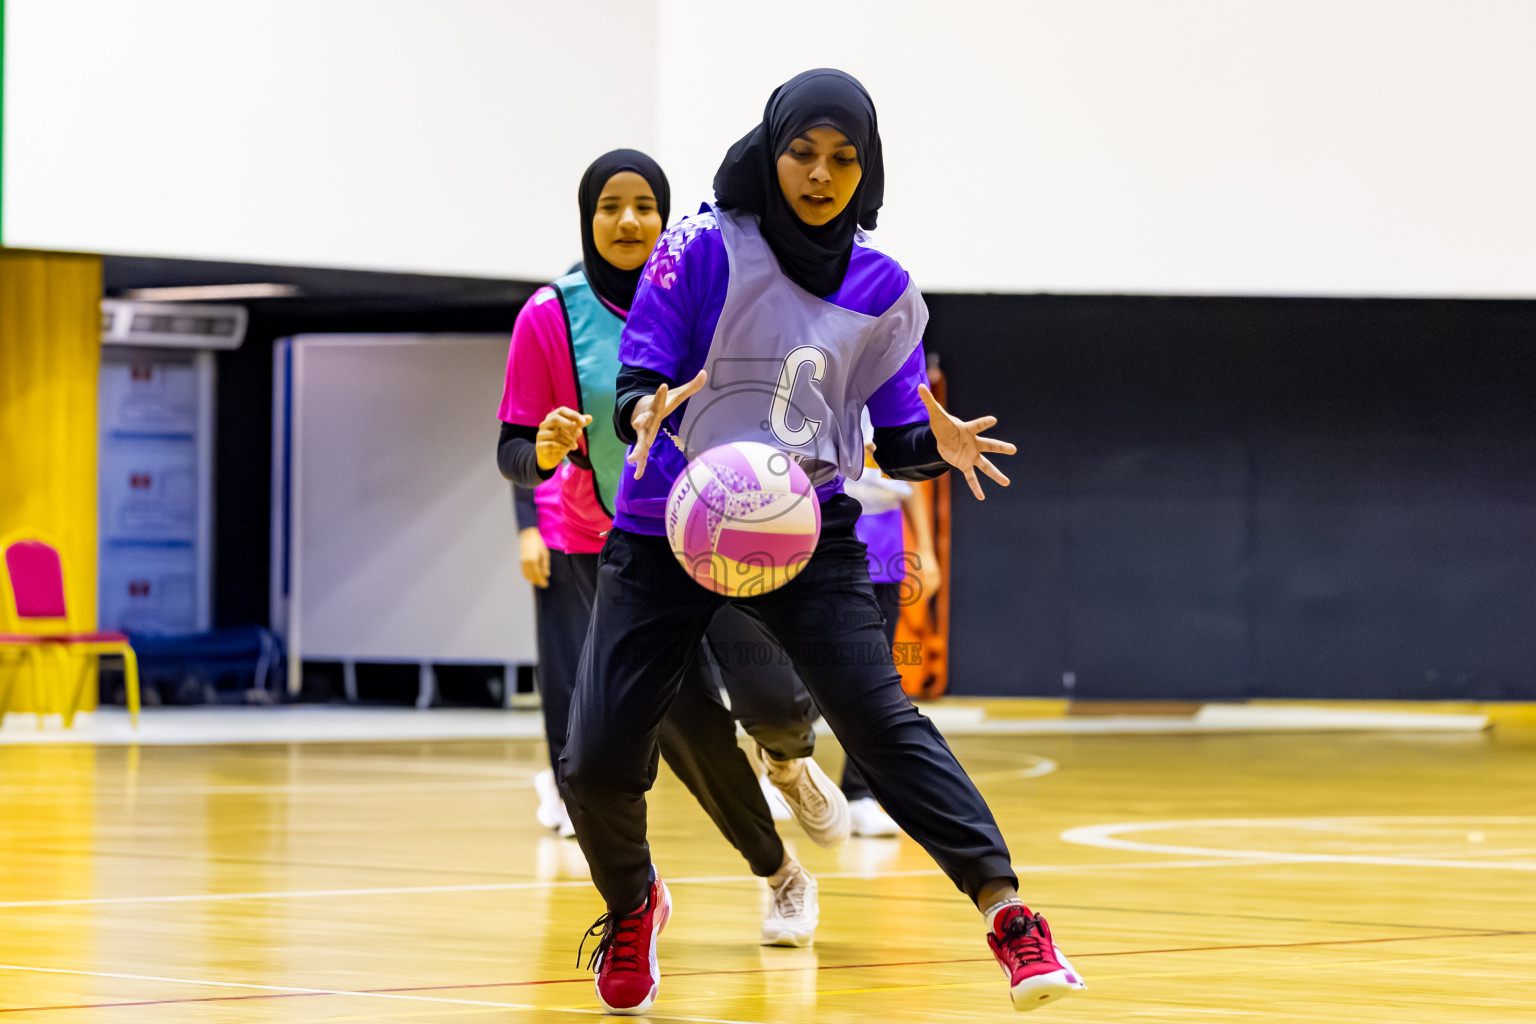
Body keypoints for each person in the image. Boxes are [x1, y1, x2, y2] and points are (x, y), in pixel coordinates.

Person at [561, 72, 1084, 1015]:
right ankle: (633, 903)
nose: (820, 173)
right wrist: (643, 408)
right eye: (803, 151)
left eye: (844, 158)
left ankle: (1010, 915)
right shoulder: (703, 251)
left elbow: (898, 432)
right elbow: (640, 373)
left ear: (866, 170)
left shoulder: (883, 289)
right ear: (773, 151)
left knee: (882, 724)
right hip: (662, 524)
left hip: (802, 531)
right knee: (596, 756)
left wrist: (939, 445)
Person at [496, 149, 833, 950]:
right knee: (686, 728)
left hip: (720, 530)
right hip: (609, 543)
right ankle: (781, 873)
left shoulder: (707, 291)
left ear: (665, 215)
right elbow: (512, 448)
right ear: (588, 217)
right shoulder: (551, 316)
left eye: (645, 205)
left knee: (775, 698)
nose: (628, 221)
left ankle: (788, 759)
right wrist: (541, 452)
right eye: (610, 206)